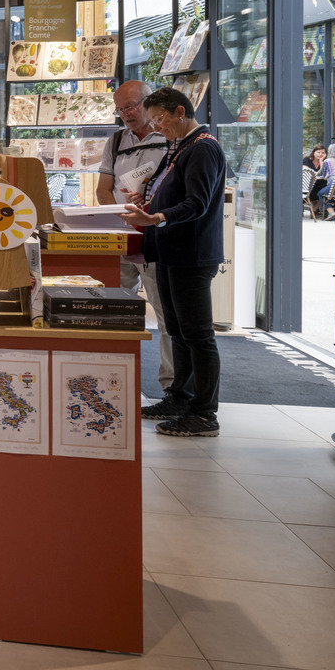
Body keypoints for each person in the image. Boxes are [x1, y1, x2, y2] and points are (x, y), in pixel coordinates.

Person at [120, 87, 228, 437]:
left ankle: (204, 413)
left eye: (160, 119)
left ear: (180, 112)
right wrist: (147, 200)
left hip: (190, 254)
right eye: (153, 120)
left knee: (197, 335)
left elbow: (198, 202)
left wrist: (157, 216)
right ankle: (179, 397)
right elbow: (174, 192)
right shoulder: (180, 146)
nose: (156, 127)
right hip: (169, 251)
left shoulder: (203, 147)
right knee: (178, 332)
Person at [95, 80, 173, 403]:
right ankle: (114, 382)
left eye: (131, 106)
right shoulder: (115, 141)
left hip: (157, 237)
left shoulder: (168, 137)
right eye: (120, 109)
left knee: (165, 314)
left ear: (148, 101)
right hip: (121, 238)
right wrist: (117, 216)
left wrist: (152, 212)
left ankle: (172, 389)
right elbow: (103, 189)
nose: (126, 114)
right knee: (115, 311)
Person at [304, 144, 332, 219]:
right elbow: (306, 171)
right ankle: (314, 209)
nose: (320, 154)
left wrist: (321, 161)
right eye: (318, 152)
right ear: (314, 152)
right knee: (312, 188)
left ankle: (314, 209)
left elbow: (323, 173)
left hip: (321, 183)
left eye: (323, 153)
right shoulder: (307, 160)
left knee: (324, 190)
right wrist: (316, 174)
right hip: (309, 183)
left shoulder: (325, 162)